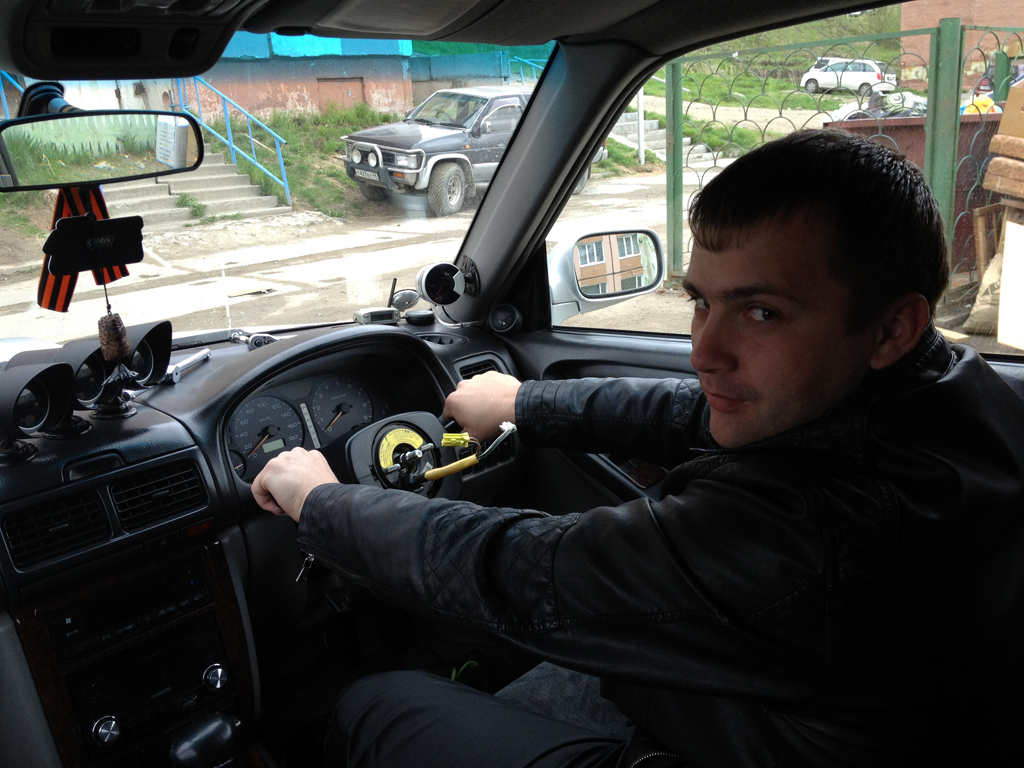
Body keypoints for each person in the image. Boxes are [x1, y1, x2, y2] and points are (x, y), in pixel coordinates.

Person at [252, 130, 1024, 767]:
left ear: (893, 326)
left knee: (377, 704)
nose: (704, 352)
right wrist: (523, 402)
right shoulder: (956, 393)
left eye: (761, 312)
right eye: (701, 301)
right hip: (828, 716)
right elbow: (692, 412)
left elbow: (520, 571)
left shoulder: (808, 526)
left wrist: (320, 501)